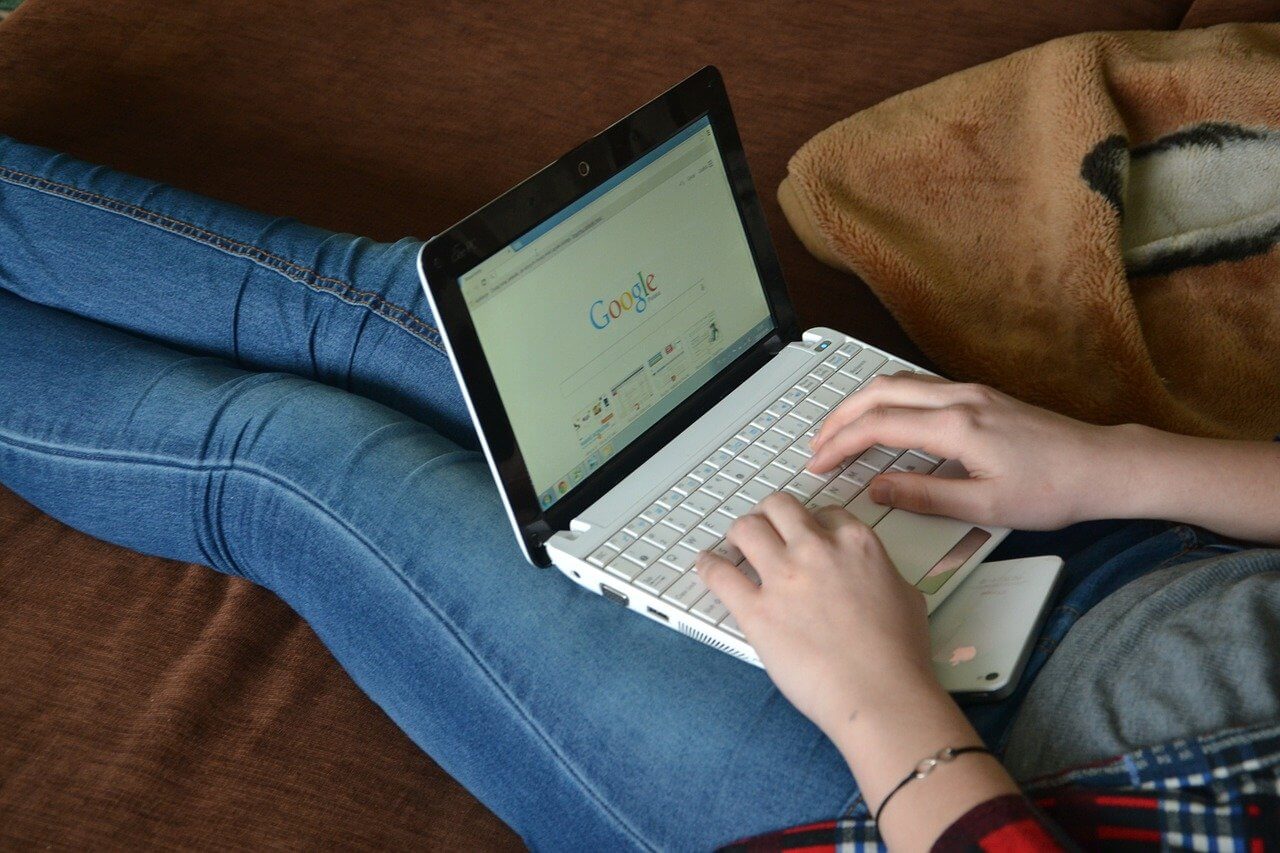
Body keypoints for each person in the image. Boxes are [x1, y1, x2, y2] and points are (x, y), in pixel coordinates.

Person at [2, 133, 1278, 851]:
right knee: (393, 308)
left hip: (889, 795)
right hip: (1125, 560)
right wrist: (1113, 456)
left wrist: (883, 705)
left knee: (296, 459)